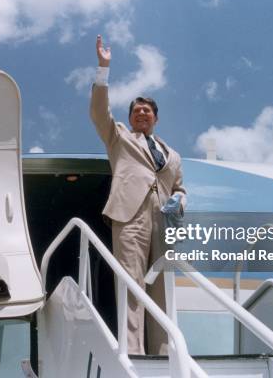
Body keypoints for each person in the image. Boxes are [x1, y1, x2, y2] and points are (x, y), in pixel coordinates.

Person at [90, 35, 186, 355]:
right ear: (130, 118)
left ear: (155, 118)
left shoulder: (173, 155)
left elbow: (180, 187)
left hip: (163, 221)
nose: (141, 114)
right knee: (131, 283)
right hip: (129, 216)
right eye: (136, 110)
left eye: (146, 110)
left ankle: (163, 352)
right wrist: (103, 69)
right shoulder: (119, 137)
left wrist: (180, 201)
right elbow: (99, 112)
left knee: (161, 289)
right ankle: (133, 352)